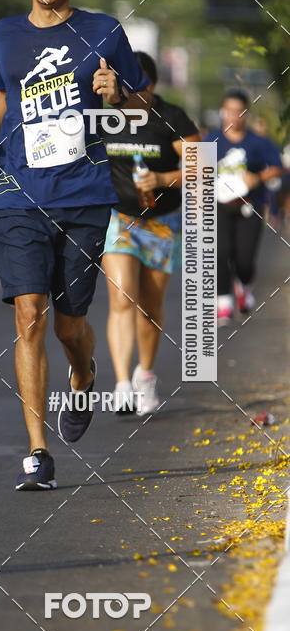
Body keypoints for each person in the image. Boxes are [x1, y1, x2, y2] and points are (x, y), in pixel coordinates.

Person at [0, 0, 150, 491]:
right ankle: (37, 452)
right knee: (29, 315)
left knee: (71, 327)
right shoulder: (4, 34)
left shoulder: (103, 31)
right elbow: (6, 91)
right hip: (17, 192)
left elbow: (141, 99)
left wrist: (116, 93)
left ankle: (84, 371)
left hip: (83, 196)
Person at [102, 52, 199, 415]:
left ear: (152, 85)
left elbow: (199, 167)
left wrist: (161, 179)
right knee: (122, 298)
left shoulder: (172, 117)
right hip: (120, 219)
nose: (128, 90)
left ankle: (145, 375)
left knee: (149, 306)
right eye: (122, 82)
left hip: (162, 221)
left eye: (135, 83)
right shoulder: (105, 117)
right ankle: (122, 383)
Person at [205, 90, 282, 324]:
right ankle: (223, 303)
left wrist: (257, 178)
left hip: (250, 207)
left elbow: (277, 167)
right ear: (222, 112)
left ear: (246, 114)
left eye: (239, 112)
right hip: (218, 207)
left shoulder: (258, 142)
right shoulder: (210, 140)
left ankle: (244, 285)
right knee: (220, 253)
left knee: (245, 259)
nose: (233, 116)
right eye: (228, 111)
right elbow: (195, 170)